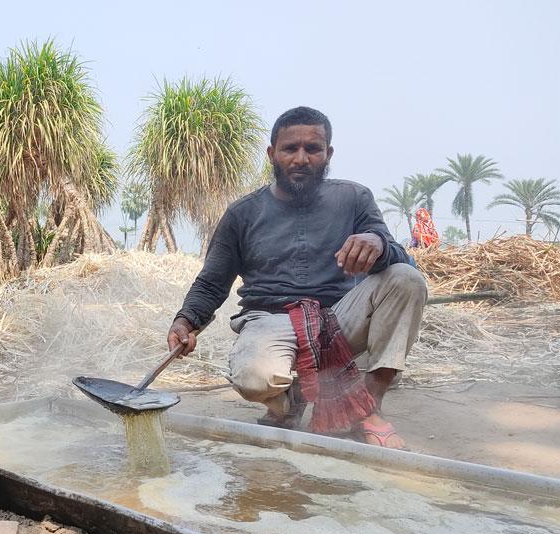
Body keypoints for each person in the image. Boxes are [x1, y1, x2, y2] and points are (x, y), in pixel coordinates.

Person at [167, 107, 427, 449]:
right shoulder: (242, 214)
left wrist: (377, 243)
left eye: (313, 149)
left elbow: (395, 253)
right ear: (273, 154)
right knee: (255, 379)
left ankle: (367, 406)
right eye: (290, 149)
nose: (301, 158)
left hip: (340, 318)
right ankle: (288, 402)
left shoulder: (354, 198)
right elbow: (212, 281)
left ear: (328, 154)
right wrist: (185, 322)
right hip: (270, 318)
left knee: (407, 278)